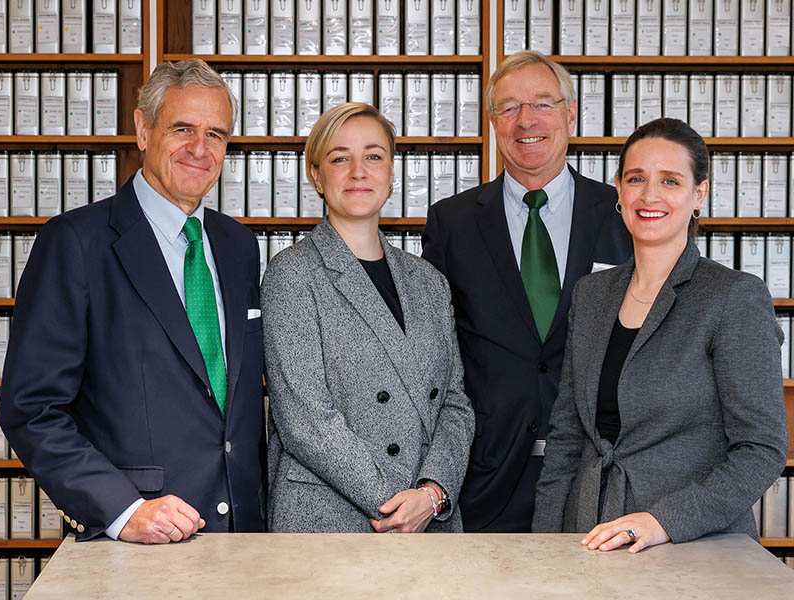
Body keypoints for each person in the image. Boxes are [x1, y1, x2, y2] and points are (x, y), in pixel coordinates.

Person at [0, 59, 266, 543]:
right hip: (136, 543)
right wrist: (124, 510)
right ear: (143, 129)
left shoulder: (239, 246)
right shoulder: (76, 243)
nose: (199, 150)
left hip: (244, 537)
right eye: (183, 128)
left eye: (217, 135)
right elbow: (31, 408)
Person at [532, 118, 788, 552]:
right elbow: (567, 438)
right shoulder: (592, 295)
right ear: (619, 189)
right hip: (588, 538)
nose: (650, 196)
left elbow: (761, 448)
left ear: (699, 193)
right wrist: (542, 550)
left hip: (693, 545)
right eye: (637, 179)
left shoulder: (733, 298)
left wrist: (662, 521)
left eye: (670, 181)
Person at [421, 50, 632, 532]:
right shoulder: (451, 222)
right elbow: (433, 349)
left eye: (542, 103)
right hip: (486, 474)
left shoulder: (624, 213)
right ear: (493, 122)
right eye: (509, 108)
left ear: (570, 114)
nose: (526, 120)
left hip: (598, 472)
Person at [261, 103, 474, 533]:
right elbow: (305, 421)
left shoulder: (429, 282)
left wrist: (432, 494)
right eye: (340, 158)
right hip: (329, 521)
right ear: (316, 176)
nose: (359, 171)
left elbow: (455, 404)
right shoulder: (291, 274)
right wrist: (399, 501)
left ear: (392, 174)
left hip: (427, 518)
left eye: (373, 156)